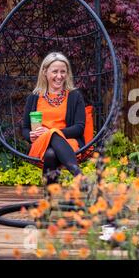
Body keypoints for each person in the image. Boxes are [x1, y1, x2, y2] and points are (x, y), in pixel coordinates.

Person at [22, 52, 85, 184]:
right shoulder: (33, 98)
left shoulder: (74, 96)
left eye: (63, 72)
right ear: (45, 72)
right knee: (50, 144)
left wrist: (52, 132)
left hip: (68, 143)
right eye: (55, 71)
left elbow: (79, 128)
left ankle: (51, 198)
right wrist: (30, 135)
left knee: (51, 153)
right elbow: (25, 129)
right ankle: (79, 176)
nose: (59, 76)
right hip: (40, 144)